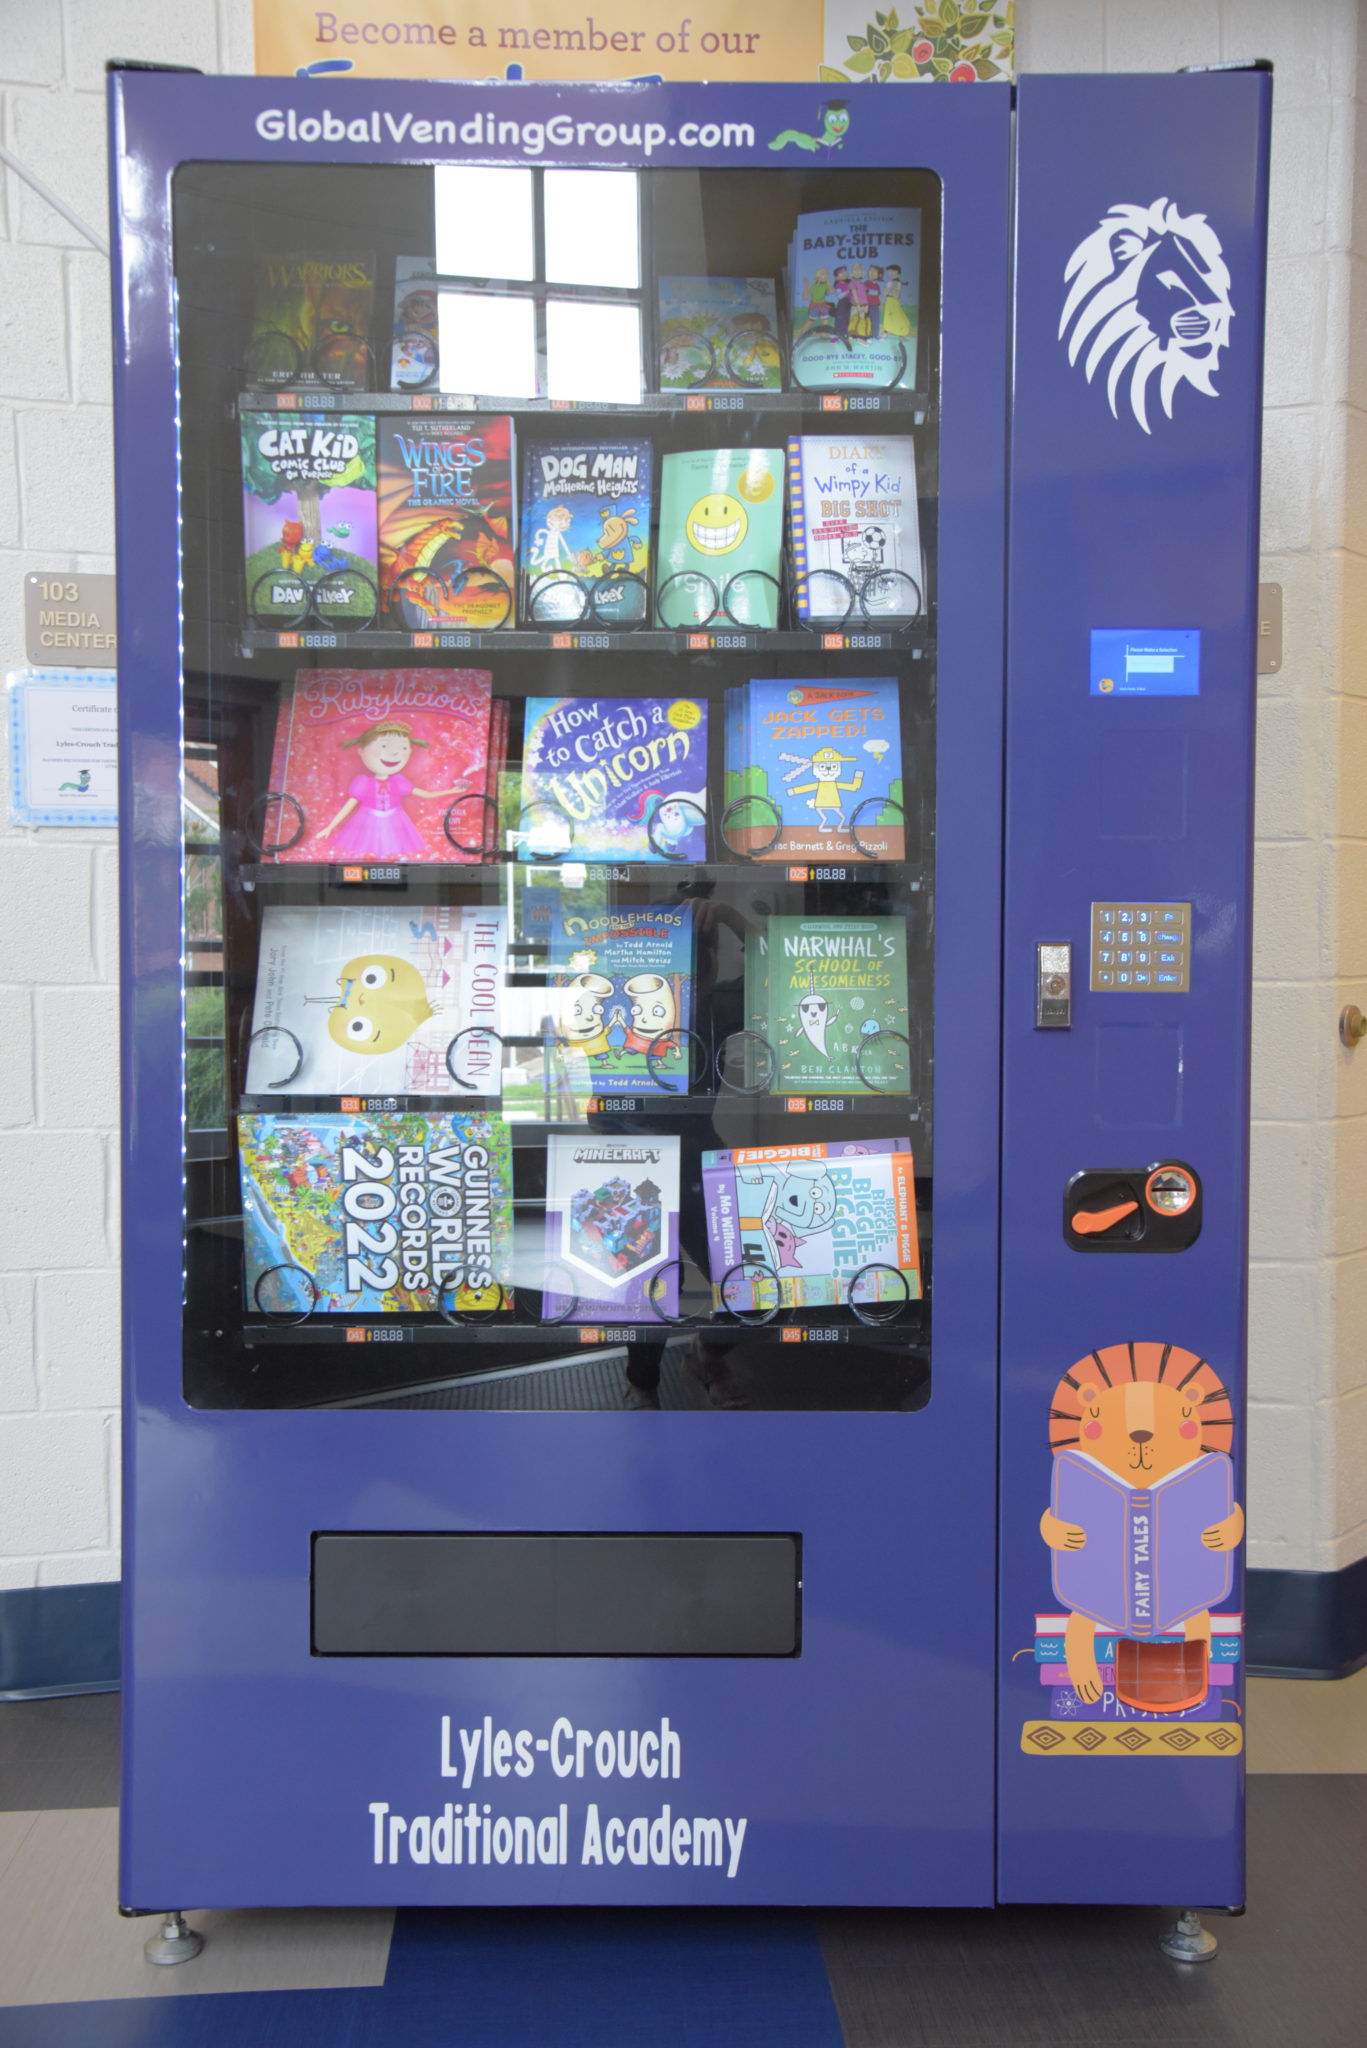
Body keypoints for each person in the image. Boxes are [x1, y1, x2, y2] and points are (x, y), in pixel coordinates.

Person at [316, 720, 464, 860]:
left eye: (403, 748)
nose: (395, 754)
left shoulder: (398, 781)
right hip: (368, 820)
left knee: (393, 852)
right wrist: (330, 827)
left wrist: (450, 792)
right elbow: (348, 806)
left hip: (395, 819)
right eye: (384, 746)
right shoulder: (363, 783)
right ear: (361, 751)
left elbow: (426, 794)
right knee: (368, 851)